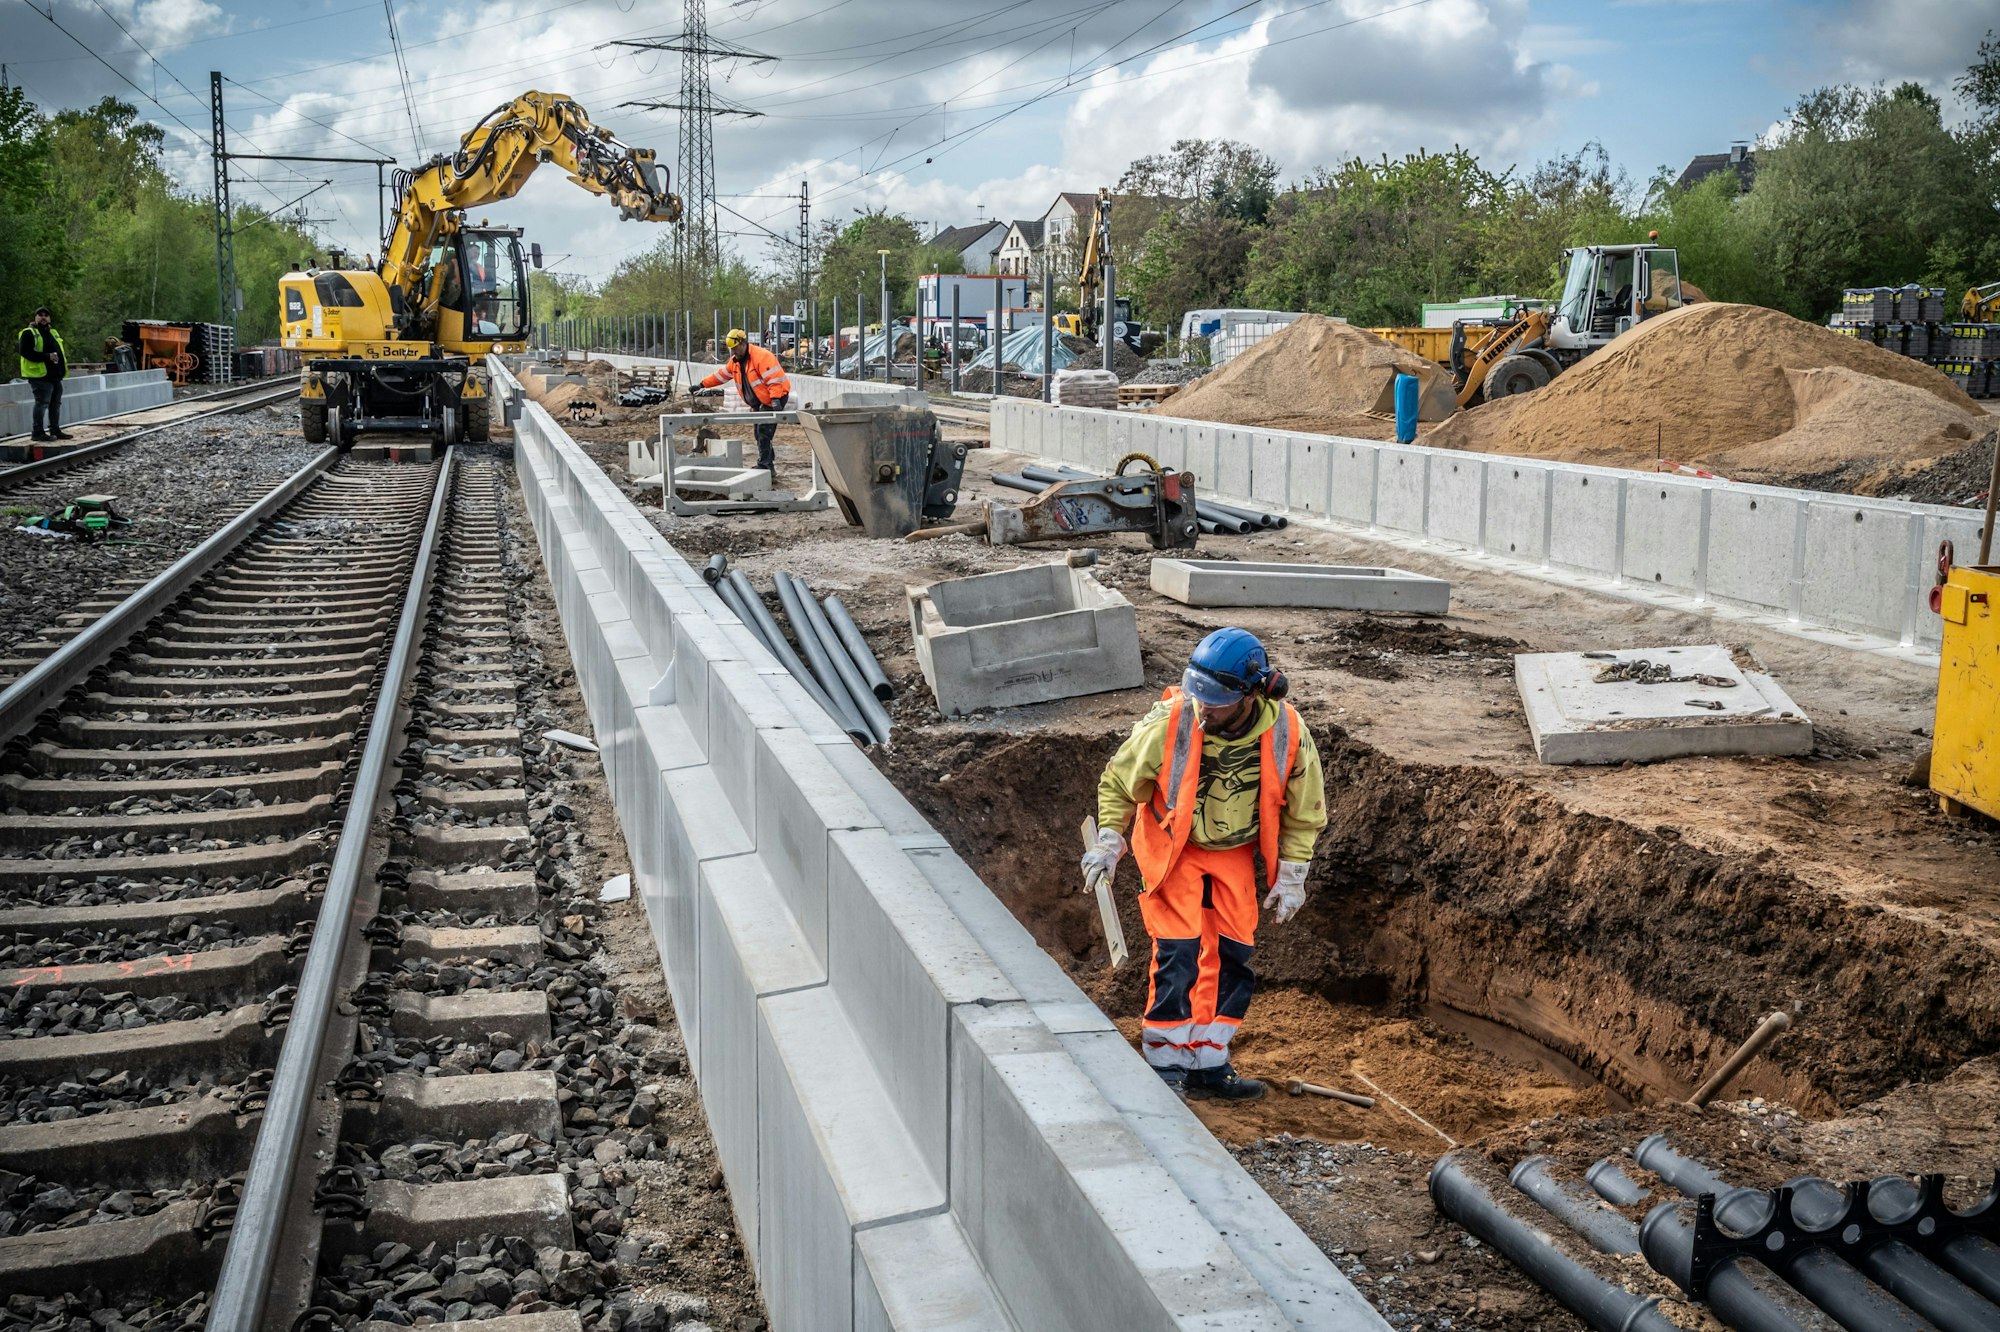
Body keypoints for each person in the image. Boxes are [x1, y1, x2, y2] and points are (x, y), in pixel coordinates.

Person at [1083, 628, 1328, 1101]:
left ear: (1254, 692)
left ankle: (1208, 1062)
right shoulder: (1170, 724)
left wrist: (1293, 875)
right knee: (1178, 952)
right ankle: (1165, 1064)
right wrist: (1111, 841)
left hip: (1234, 853)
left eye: (1215, 699)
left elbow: (1305, 809)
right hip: (1175, 851)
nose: (1203, 707)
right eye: (1198, 693)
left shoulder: (1288, 732)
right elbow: (1119, 781)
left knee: (1233, 955)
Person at [698, 328, 791, 474]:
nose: (734, 352)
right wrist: (702, 384)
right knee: (759, 433)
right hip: (759, 402)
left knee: (763, 431)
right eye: (732, 350)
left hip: (773, 398)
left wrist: (775, 400)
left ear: (743, 343)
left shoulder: (761, 356)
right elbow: (721, 375)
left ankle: (766, 465)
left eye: (735, 349)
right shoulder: (735, 362)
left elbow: (774, 379)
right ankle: (767, 463)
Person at [18, 306, 71, 442]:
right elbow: (25, 352)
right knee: (42, 403)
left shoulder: (53, 332)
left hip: (54, 376)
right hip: (39, 376)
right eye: (40, 315)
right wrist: (47, 356)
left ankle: (55, 429)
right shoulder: (29, 333)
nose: (43, 317)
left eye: (46, 315)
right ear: (35, 318)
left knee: (55, 404)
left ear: (49, 318)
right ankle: (37, 432)